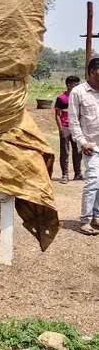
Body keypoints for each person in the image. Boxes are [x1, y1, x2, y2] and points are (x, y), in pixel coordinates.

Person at [69, 56, 99, 234]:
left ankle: (97, 217)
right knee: (93, 180)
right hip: (91, 145)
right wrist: (82, 142)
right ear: (92, 72)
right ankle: (85, 219)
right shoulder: (78, 92)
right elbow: (73, 121)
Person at [54, 75, 82, 183]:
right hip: (65, 127)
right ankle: (65, 175)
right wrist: (61, 129)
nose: (78, 86)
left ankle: (78, 174)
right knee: (65, 152)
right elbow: (57, 114)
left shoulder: (79, 97)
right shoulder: (61, 98)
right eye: (76, 84)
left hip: (76, 128)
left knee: (78, 151)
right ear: (69, 85)